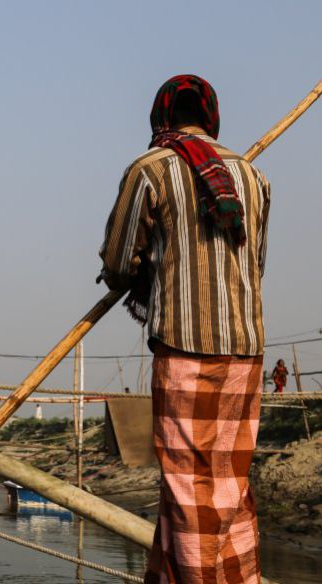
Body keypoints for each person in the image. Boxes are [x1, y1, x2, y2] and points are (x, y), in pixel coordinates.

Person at [99, 75, 270, 584]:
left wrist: (145, 271)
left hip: (185, 348)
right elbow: (254, 267)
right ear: (212, 116)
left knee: (188, 493)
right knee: (229, 489)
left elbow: (118, 262)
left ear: (161, 118)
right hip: (247, 351)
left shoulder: (151, 169)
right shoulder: (253, 178)